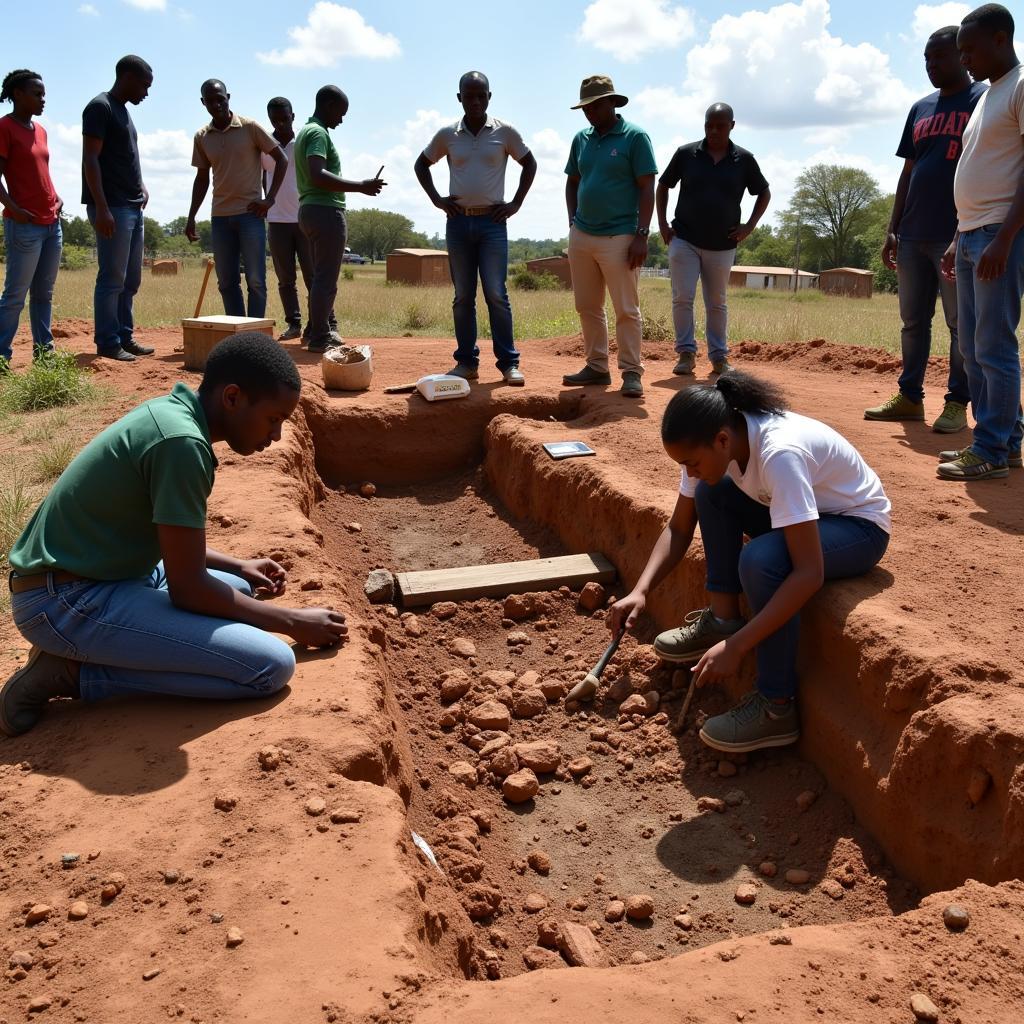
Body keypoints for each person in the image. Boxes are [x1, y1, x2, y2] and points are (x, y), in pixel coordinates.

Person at [0, 332, 348, 737]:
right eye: (273, 420)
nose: (275, 437)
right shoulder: (181, 444)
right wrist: (292, 622)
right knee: (269, 666)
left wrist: (237, 563)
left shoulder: (174, 414)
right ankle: (71, 673)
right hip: (65, 601)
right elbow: (189, 589)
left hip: (105, 572)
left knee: (239, 586)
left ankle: (92, 650)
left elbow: (171, 542)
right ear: (232, 397)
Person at [609, 371, 891, 753]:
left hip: (857, 527)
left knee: (761, 562)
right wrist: (640, 591)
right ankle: (723, 618)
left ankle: (776, 707)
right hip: (804, 514)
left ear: (722, 440)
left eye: (692, 463)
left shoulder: (780, 456)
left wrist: (739, 647)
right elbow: (679, 528)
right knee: (712, 493)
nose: (688, 472)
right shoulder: (716, 439)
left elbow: (809, 573)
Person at [865, 27, 985, 433]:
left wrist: (962, 230)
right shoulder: (920, 108)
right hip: (913, 233)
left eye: (940, 57)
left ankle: (956, 402)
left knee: (960, 325)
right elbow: (908, 171)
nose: (932, 66)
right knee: (912, 321)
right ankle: (910, 397)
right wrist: (892, 227)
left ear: (962, 56)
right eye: (926, 59)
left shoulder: (982, 100)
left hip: (958, 232)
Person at [938, 4, 1024, 480]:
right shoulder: (988, 95)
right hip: (971, 234)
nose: (964, 58)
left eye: (970, 49)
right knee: (972, 347)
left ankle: (989, 449)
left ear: (1000, 38)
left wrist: (1006, 236)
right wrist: (957, 238)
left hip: (999, 235)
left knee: (993, 345)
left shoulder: (1022, 85)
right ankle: (1007, 441)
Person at [414, 71, 537, 386]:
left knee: (496, 293)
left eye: (481, 95)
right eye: (469, 96)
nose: (475, 101)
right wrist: (438, 200)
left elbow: (530, 164)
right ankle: (466, 363)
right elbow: (421, 164)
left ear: (489, 97)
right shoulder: (447, 135)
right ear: (459, 98)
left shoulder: (505, 132)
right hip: (457, 223)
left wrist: (516, 204)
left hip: (492, 224)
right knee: (463, 296)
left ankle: (509, 364)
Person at [656, 103, 770, 377]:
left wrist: (749, 227)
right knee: (682, 297)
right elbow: (663, 186)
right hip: (684, 238)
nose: (714, 131)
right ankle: (686, 353)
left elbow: (763, 193)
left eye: (720, 125)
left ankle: (719, 357)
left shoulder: (744, 159)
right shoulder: (686, 154)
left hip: (722, 243)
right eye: (709, 125)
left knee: (716, 301)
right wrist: (662, 225)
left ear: (732, 125)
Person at [563, 75, 657, 399]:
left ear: (612, 102)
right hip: (583, 235)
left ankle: (631, 372)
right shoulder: (581, 139)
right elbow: (572, 180)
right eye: (585, 107)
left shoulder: (635, 137)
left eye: (595, 105)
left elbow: (647, 187)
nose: (589, 112)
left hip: (621, 236)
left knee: (626, 309)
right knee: (587, 305)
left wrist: (642, 234)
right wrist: (572, 221)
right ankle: (597, 366)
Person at [186, 79, 287, 319]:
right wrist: (191, 217)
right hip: (220, 217)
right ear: (203, 103)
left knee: (255, 280)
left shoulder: (249, 127)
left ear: (228, 97)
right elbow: (201, 178)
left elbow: (281, 159)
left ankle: (255, 334)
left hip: (250, 214)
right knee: (227, 282)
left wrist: (269, 199)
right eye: (210, 101)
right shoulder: (202, 136)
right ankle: (237, 333)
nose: (216, 104)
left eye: (220, 99)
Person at [294, 85, 384, 353]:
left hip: (308, 210)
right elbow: (317, 174)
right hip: (325, 212)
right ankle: (321, 336)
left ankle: (313, 329)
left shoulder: (305, 132)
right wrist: (361, 186)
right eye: (341, 113)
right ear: (329, 105)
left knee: (318, 276)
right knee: (326, 279)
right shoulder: (319, 133)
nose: (341, 120)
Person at [82, 55, 154, 362]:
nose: (146, 93)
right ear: (126, 77)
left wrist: (142, 187)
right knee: (112, 277)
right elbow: (91, 159)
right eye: (144, 85)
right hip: (112, 206)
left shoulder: (123, 111)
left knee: (130, 279)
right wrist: (101, 207)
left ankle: (125, 336)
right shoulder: (100, 107)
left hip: (132, 206)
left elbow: (125, 157)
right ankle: (108, 342)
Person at [0, 69, 62, 373]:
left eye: (44, 94)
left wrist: (57, 197)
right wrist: (13, 208)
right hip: (24, 224)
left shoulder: (40, 130)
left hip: (52, 224)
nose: (43, 99)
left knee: (43, 294)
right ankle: (1, 357)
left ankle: (44, 354)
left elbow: (42, 172)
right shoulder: (4, 128)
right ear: (17, 95)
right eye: (37, 94)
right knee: (15, 296)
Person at [262, 96, 329, 344]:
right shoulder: (265, 145)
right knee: (285, 279)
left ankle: (318, 323)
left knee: (313, 277)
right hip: (277, 220)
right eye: (275, 119)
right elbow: (263, 178)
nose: (280, 123)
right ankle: (294, 323)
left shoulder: (302, 141)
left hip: (303, 218)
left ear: (293, 116)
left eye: (284, 118)